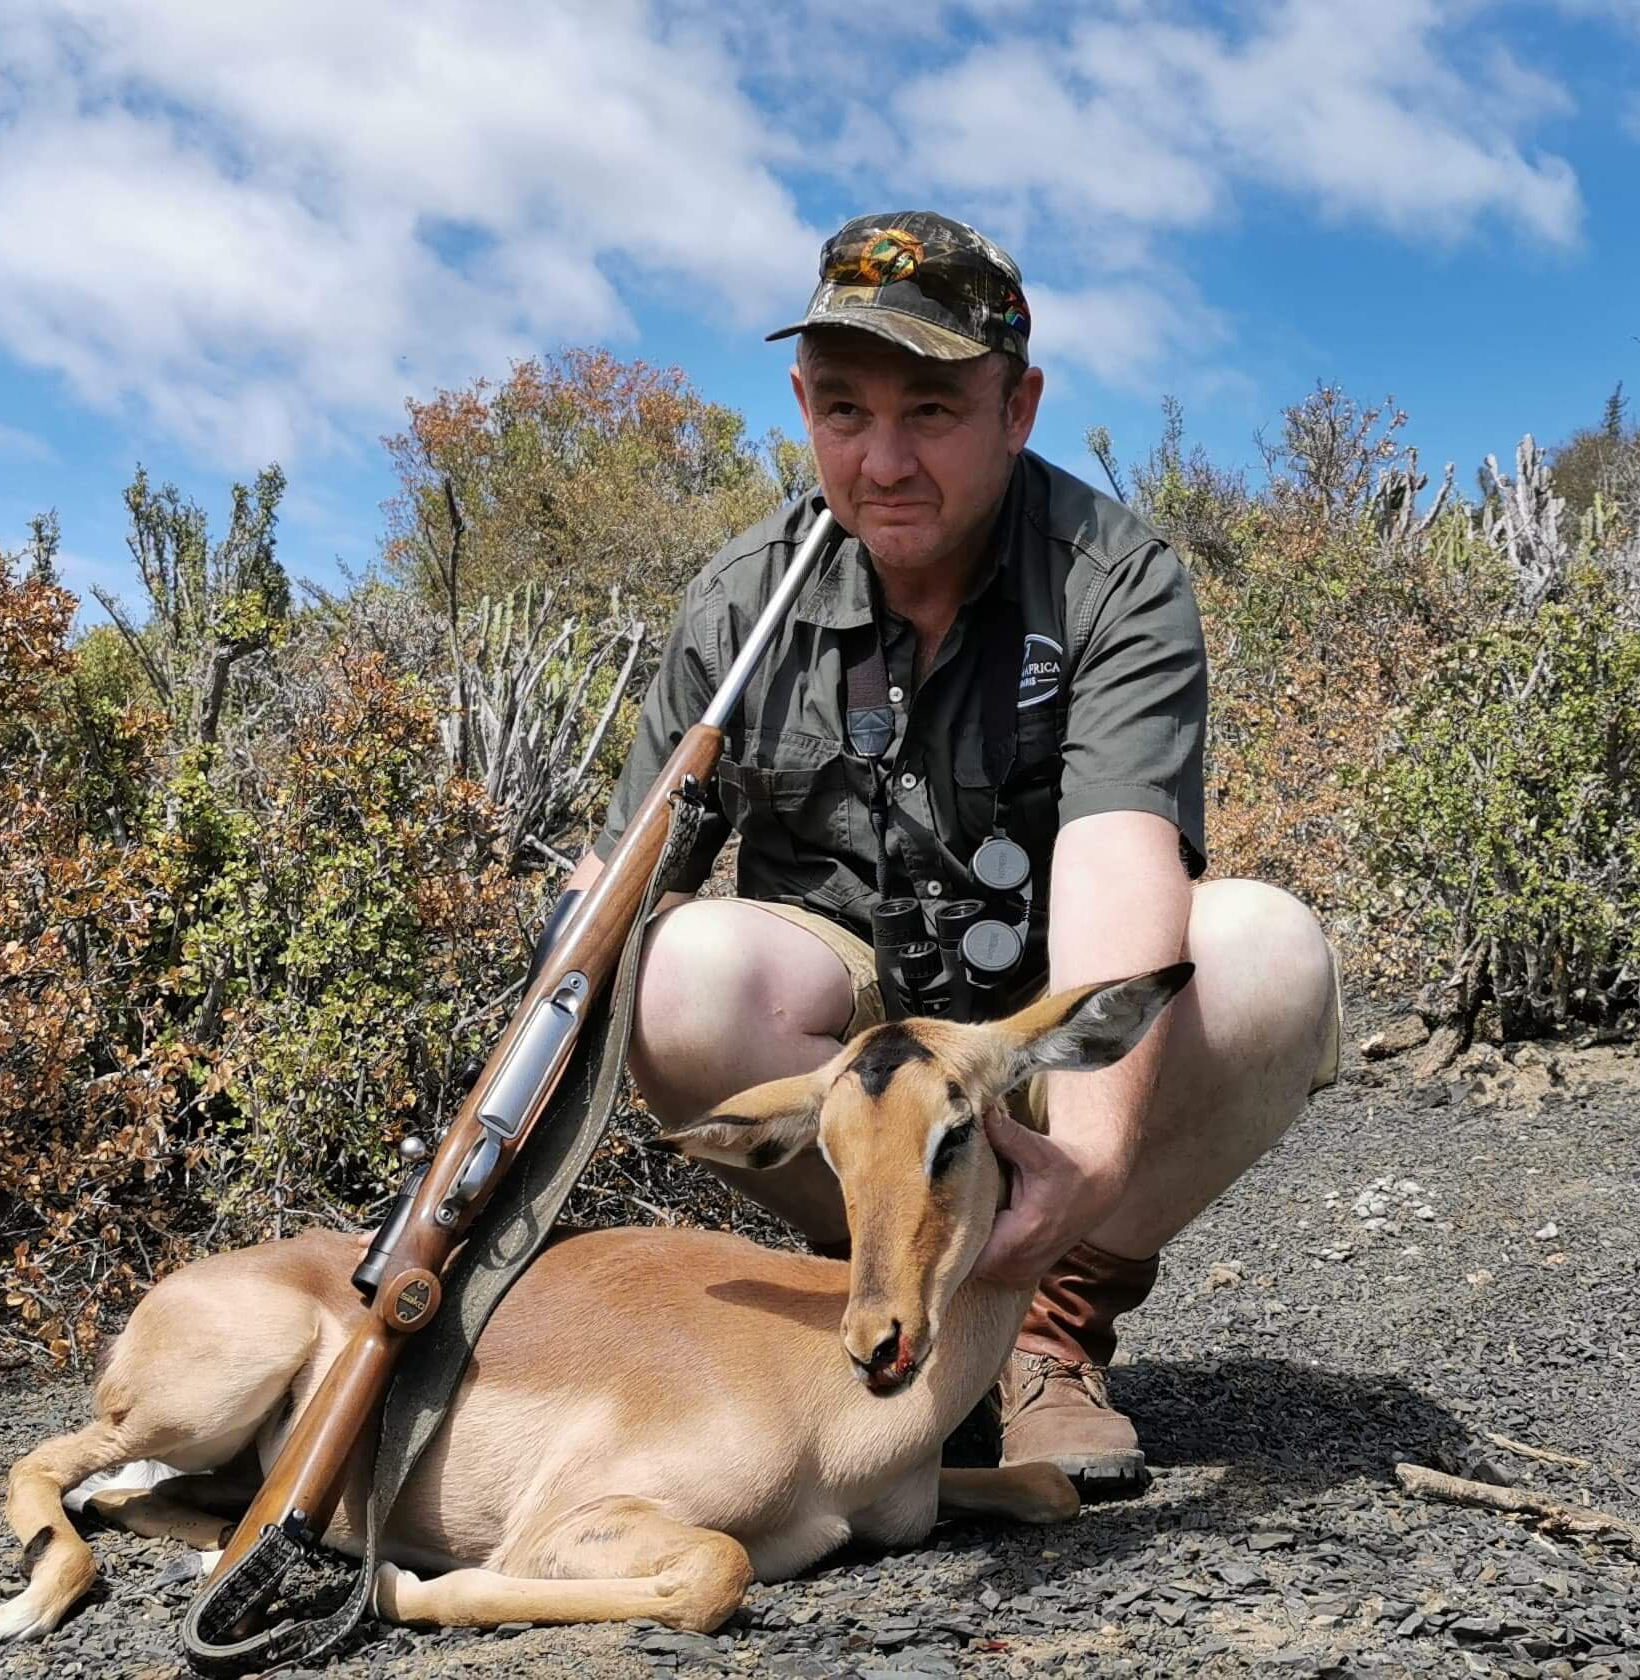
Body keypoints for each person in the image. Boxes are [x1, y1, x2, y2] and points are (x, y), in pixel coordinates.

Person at [549, 209, 1344, 1496]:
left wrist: (1077, 1169)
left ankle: (1047, 1332)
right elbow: (628, 881)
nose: (883, 459)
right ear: (803, 404)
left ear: (1017, 407)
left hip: (1030, 1069)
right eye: (846, 411)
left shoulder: (1113, 580)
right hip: (860, 1088)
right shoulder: (741, 604)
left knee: (1264, 957)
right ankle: (878, 1315)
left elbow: (1118, 857)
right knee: (682, 972)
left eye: (931, 410)